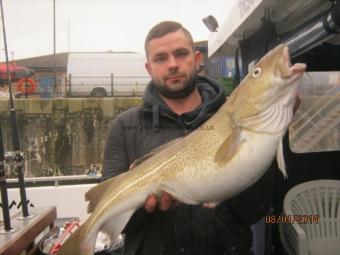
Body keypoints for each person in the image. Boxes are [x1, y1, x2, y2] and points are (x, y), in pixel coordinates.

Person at [102, 21, 273, 255]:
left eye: (180, 54)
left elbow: (253, 212)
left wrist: (272, 135)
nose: (172, 64)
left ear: (197, 58)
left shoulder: (233, 116)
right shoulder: (124, 126)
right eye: (161, 58)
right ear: (149, 68)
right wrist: (143, 203)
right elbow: (117, 219)